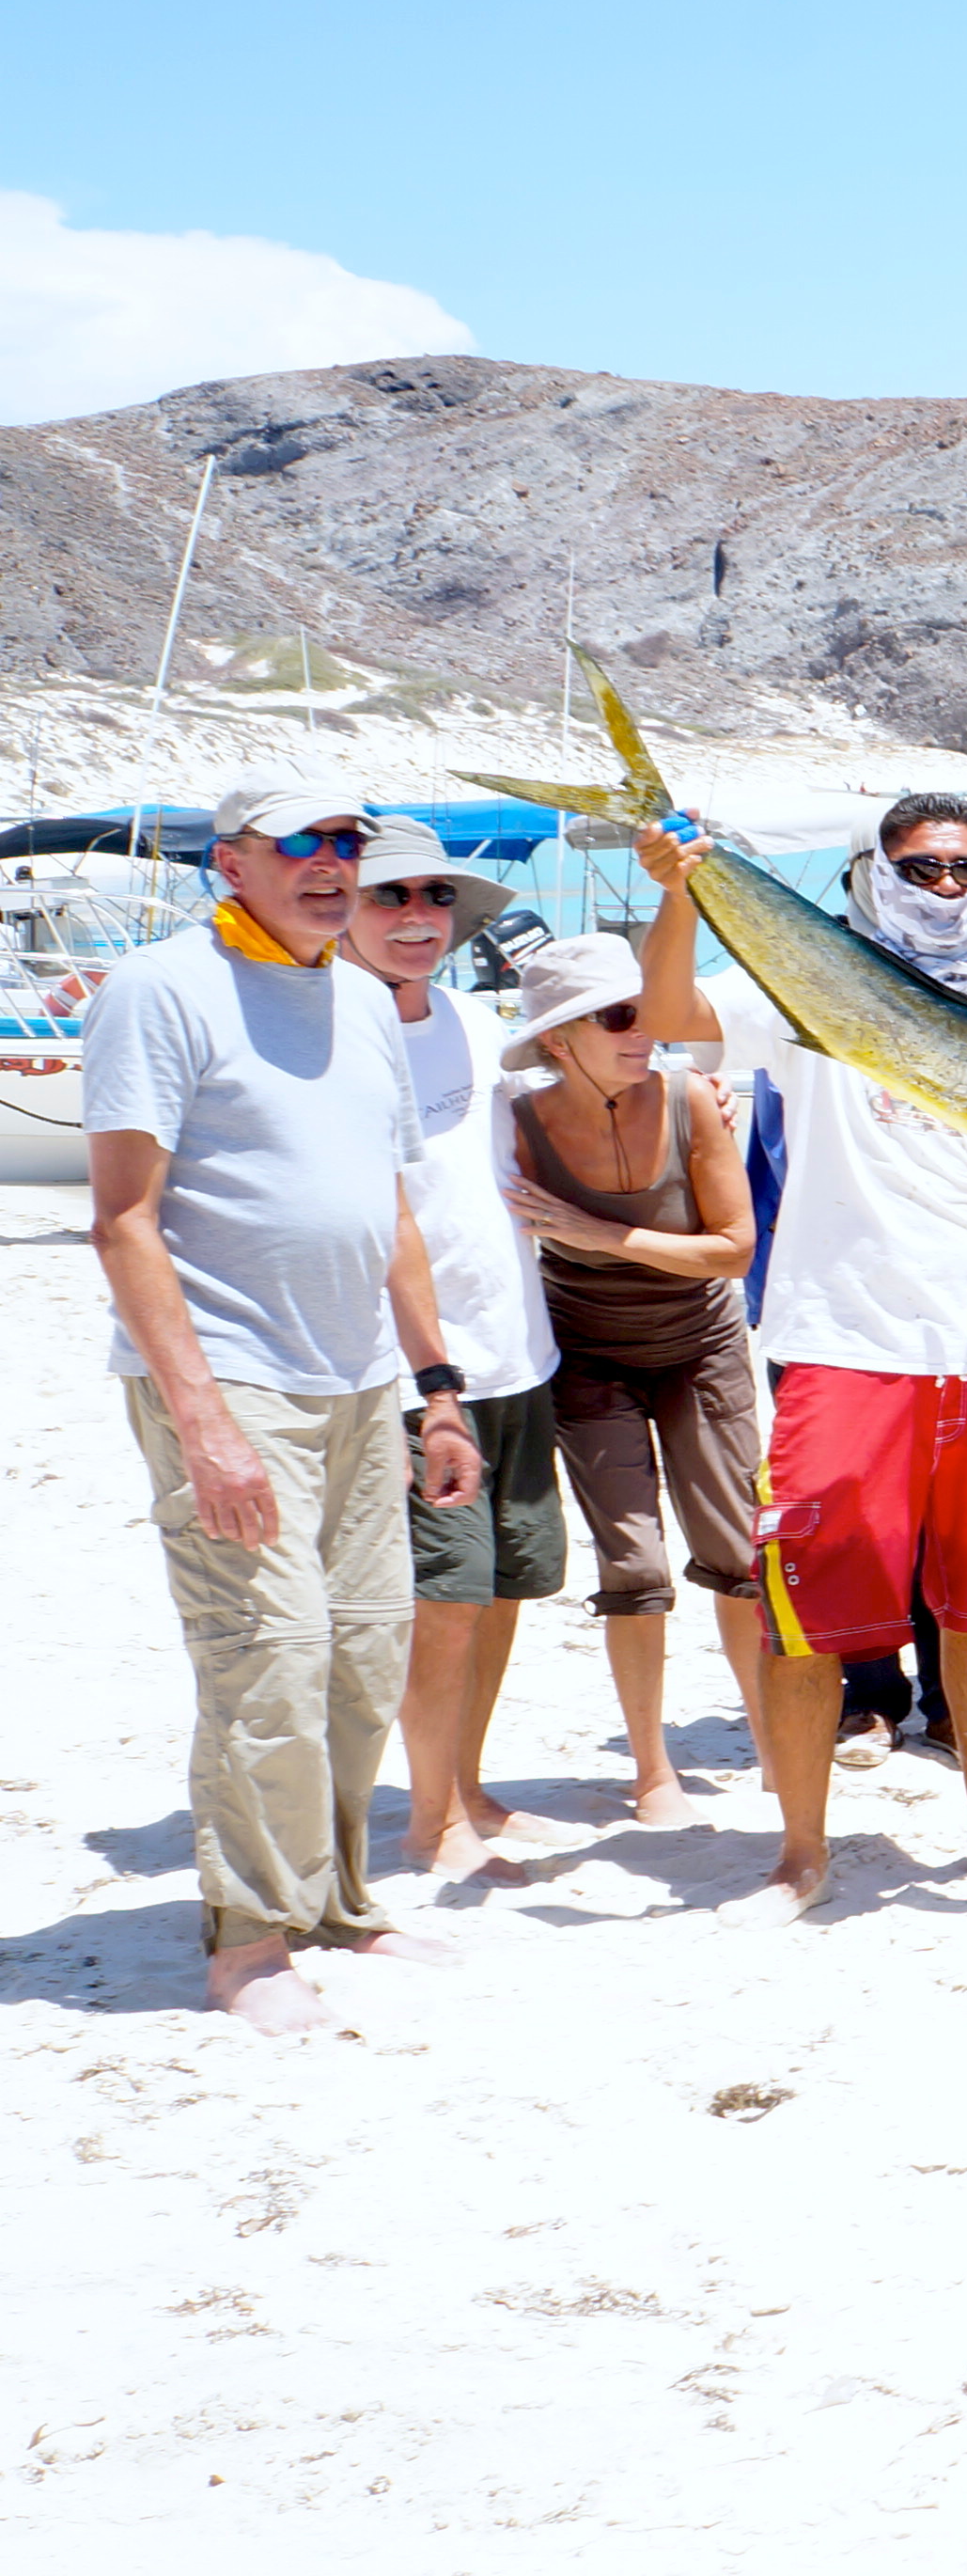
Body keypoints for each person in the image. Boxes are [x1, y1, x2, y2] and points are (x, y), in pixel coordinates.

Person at [85, 775, 483, 2030]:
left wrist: (438, 1392)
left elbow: (392, 1212)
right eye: (299, 841)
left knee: (363, 1658)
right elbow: (124, 1219)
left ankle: (336, 1905)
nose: (330, 862)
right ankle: (250, 1944)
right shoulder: (161, 987)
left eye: (347, 840)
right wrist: (201, 1420)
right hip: (228, 1377)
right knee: (269, 1662)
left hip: (362, 1380)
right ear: (231, 861)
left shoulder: (360, 999)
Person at [629, 792, 967, 1917]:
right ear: (876, 871)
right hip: (839, 1341)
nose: (947, 887)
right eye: (923, 868)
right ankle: (801, 1854)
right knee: (804, 1616)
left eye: (966, 869)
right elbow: (667, 1012)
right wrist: (675, 894)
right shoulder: (811, 980)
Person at [340, 823, 570, 1881]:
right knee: (445, 1599)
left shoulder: (477, 1022)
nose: (417, 916)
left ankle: (465, 1786)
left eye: (435, 896)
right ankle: (431, 1823)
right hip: (408, 1370)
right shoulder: (330, 1033)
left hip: (517, 1348)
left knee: (506, 1585)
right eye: (390, 896)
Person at [496, 933, 764, 1830]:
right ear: (558, 1038)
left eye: (644, 1011)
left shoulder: (691, 1099)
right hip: (587, 1357)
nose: (643, 1029)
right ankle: (652, 1771)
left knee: (738, 1552)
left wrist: (601, 1233)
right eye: (618, 1016)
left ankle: (775, 1747)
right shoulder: (514, 1124)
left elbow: (734, 1249)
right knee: (634, 1565)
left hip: (702, 1347)